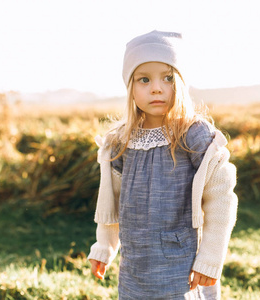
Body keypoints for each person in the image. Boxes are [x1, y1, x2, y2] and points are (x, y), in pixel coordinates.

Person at [86, 30, 238, 299]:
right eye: (144, 79)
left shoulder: (194, 134)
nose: (156, 88)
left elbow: (220, 198)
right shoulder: (121, 141)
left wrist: (210, 257)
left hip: (182, 267)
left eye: (167, 78)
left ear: (180, 83)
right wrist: (104, 245)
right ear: (130, 88)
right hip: (135, 267)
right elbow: (112, 201)